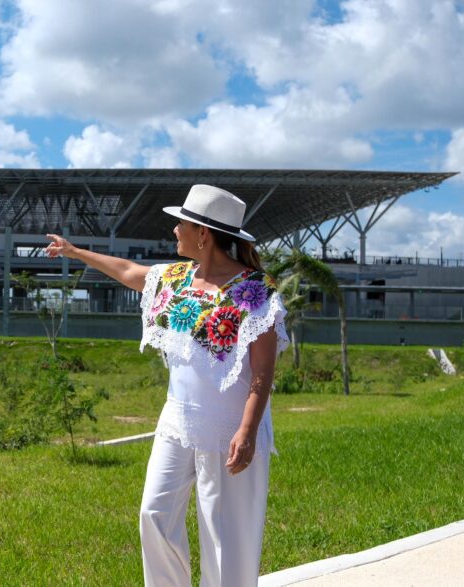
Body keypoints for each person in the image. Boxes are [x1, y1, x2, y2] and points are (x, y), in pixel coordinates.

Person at [46, 184, 287, 587]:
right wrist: (75, 252)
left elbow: (263, 371)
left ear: (203, 234)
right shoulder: (175, 278)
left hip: (230, 429)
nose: (175, 230)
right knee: (154, 514)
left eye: (181, 224)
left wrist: (247, 430)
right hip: (177, 422)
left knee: (225, 538)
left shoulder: (255, 291)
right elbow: (127, 271)